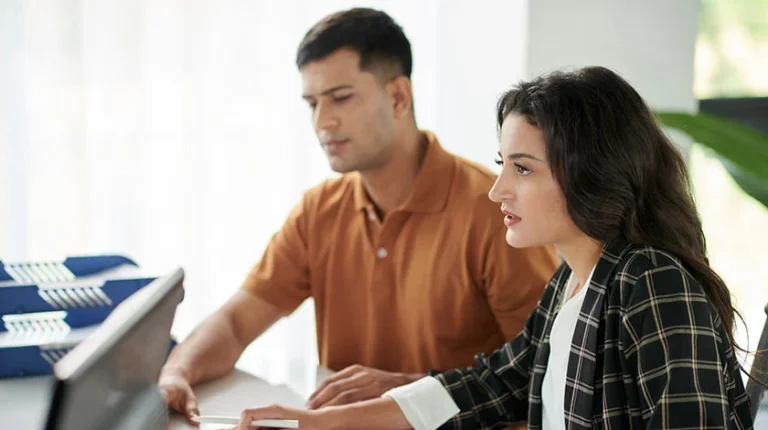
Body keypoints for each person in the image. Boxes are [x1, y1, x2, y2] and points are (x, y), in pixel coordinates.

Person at [233, 66, 755, 429]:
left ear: (589, 173)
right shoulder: (572, 281)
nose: (497, 189)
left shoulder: (651, 281)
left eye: (522, 169)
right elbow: (490, 385)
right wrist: (319, 423)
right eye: (501, 163)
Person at [159, 7, 559, 423]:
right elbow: (237, 322)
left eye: (341, 98)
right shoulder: (319, 210)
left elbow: (547, 374)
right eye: (312, 103)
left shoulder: (496, 210)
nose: (322, 121)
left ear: (398, 97)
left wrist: (410, 390)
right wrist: (175, 371)